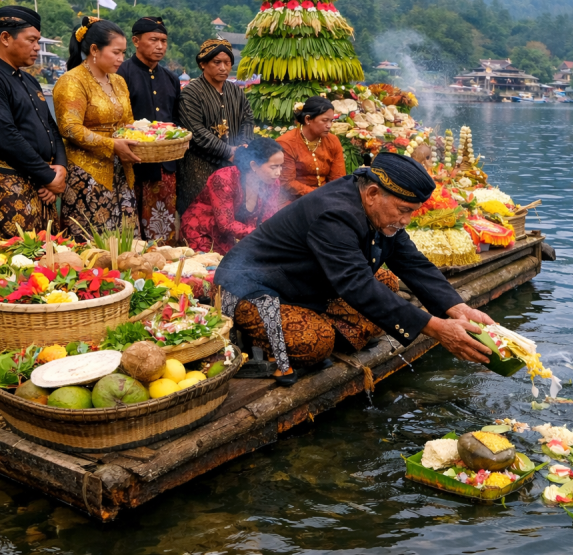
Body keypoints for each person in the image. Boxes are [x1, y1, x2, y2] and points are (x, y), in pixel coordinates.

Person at [214, 152, 494, 385]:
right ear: (373, 193)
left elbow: (412, 262)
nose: (407, 220)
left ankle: (323, 322)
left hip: (307, 281)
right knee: (316, 340)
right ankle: (265, 340)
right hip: (251, 287)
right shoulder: (334, 213)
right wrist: (437, 329)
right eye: (403, 210)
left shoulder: (373, 204)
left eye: (412, 212)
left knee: (386, 282)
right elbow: (356, 284)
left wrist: (457, 308)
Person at [0, 6, 67, 253]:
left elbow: (50, 126)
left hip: (40, 182)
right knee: (11, 262)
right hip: (2, 183)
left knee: (47, 260)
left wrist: (59, 168)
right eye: (31, 40)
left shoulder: (27, 79)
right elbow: (5, 137)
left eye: (38, 41)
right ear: (6, 38)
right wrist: (49, 178)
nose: (37, 47)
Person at [53, 17, 140, 241]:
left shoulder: (118, 81)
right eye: (116, 52)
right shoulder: (72, 81)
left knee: (126, 245)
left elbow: (128, 122)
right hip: (87, 175)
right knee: (93, 247)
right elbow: (69, 128)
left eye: (123, 52)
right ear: (94, 49)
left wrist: (143, 137)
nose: (122, 58)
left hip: (122, 171)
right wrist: (112, 144)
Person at [117, 17, 182, 244]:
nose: (160, 46)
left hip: (165, 167)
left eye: (164, 40)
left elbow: (175, 119)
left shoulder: (171, 79)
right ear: (135, 41)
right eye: (153, 39)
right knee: (130, 231)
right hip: (132, 164)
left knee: (162, 231)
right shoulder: (121, 74)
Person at [177, 39, 254, 214]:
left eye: (227, 63)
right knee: (201, 215)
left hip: (233, 164)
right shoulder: (191, 92)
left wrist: (243, 147)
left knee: (229, 214)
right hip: (200, 165)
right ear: (203, 64)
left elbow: (248, 120)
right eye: (217, 62)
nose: (223, 68)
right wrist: (229, 152)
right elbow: (196, 131)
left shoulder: (236, 91)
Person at [180, 138, 286, 254]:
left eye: (281, 166)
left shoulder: (272, 182)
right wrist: (261, 235)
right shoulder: (224, 179)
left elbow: (268, 218)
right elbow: (226, 225)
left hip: (239, 236)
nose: (278, 173)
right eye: (273, 167)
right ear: (254, 165)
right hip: (203, 233)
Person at [276, 96, 346, 199]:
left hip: (326, 197)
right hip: (294, 200)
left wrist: (330, 196)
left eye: (331, 121)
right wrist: (320, 195)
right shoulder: (287, 143)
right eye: (325, 120)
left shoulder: (333, 141)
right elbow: (287, 183)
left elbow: (338, 178)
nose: (329, 126)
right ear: (308, 119)